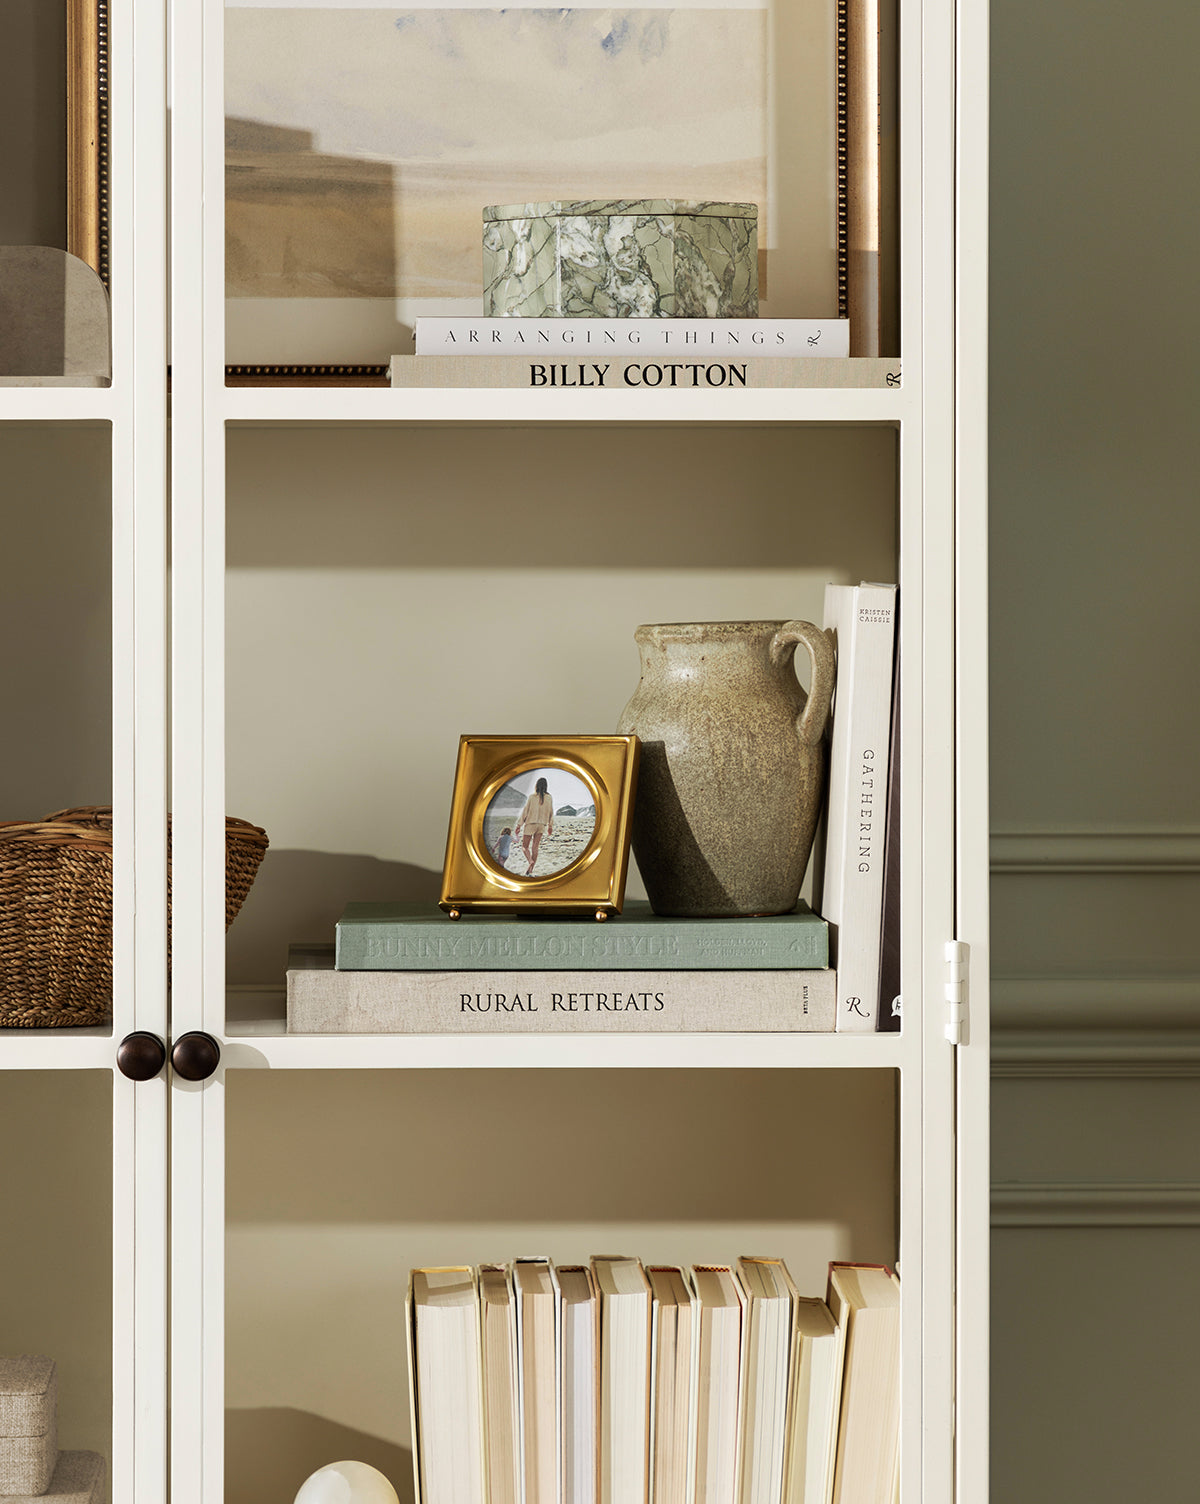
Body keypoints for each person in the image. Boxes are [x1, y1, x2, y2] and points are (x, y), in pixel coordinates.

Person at [513, 776, 554, 875]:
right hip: (542, 825)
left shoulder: (532, 797)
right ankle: (530, 870)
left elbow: (525, 811)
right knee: (535, 848)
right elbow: (551, 813)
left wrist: (519, 825)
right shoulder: (549, 798)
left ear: (536, 785)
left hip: (530, 824)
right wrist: (550, 826)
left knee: (525, 847)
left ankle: (530, 861)